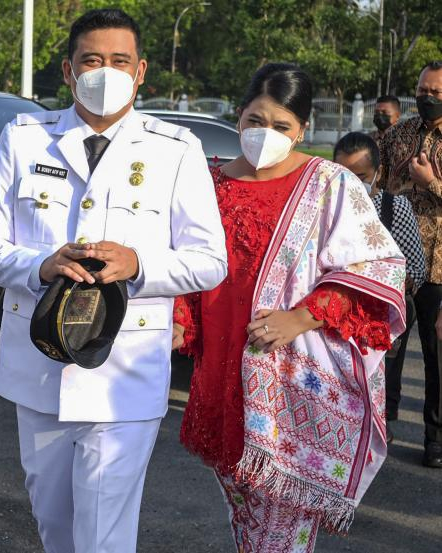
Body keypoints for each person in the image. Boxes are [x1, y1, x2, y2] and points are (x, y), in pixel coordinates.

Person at [0, 9, 227, 552]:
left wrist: (140, 264)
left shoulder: (174, 149)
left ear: (141, 71)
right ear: (67, 70)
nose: (104, 71)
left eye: (119, 61)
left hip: (124, 373)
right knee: (53, 522)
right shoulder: (24, 138)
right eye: (91, 60)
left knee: (105, 533)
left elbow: (209, 261)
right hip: (38, 365)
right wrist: (39, 265)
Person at [173, 63, 406, 552]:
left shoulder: (330, 183)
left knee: (281, 533)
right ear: (239, 117)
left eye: (281, 126)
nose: (265, 134)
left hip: (291, 383)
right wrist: (178, 322)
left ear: (301, 130)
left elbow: (380, 266)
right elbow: (183, 264)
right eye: (256, 120)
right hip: (219, 372)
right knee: (243, 519)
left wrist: (299, 318)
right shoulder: (208, 182)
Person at [334, 132, 426, 443]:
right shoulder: (323, 206)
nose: (352, 184)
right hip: (331, 314)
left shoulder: (394, 208)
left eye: (360, 176)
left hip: (379, 318)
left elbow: (415, 267)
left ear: (377, 174)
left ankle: (371, 439)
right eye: (343, 174)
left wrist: (378, 286)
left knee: (378, 384)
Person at [379, 60, 442, 468]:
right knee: (386, 352)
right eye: (422, 90)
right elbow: (377, 187)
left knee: (437, 358)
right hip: (397, 262)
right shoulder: (396, 136)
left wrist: (431, 183)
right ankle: (378, 430)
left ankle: (434, 441)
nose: (427, 98)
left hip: (439, 268)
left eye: (436, 92)